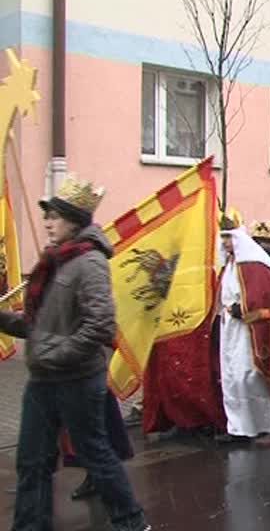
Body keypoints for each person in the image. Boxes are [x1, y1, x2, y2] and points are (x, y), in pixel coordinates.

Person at [0, 176, 150, 531]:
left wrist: (54, 352)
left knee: (96, 455)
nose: (48, 222)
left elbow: (100, 327)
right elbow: (43, 324)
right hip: (44, 380)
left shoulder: (90, 263)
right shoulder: (56, 260)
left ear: (74, 221)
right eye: (47, 216)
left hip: (78, 380)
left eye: (54, 216)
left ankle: (131, 522)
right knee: (32, 460)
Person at [217, 216, 270, 443]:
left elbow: (262, 296)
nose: (224, 243)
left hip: (247, 329)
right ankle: (239, 427)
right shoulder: (231, 263)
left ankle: (266, 426)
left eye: (228, 238)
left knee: (249, 376)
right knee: (231, 376)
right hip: (230, 329)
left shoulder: (254, 262)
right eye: (222, 238)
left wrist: (240, 309)